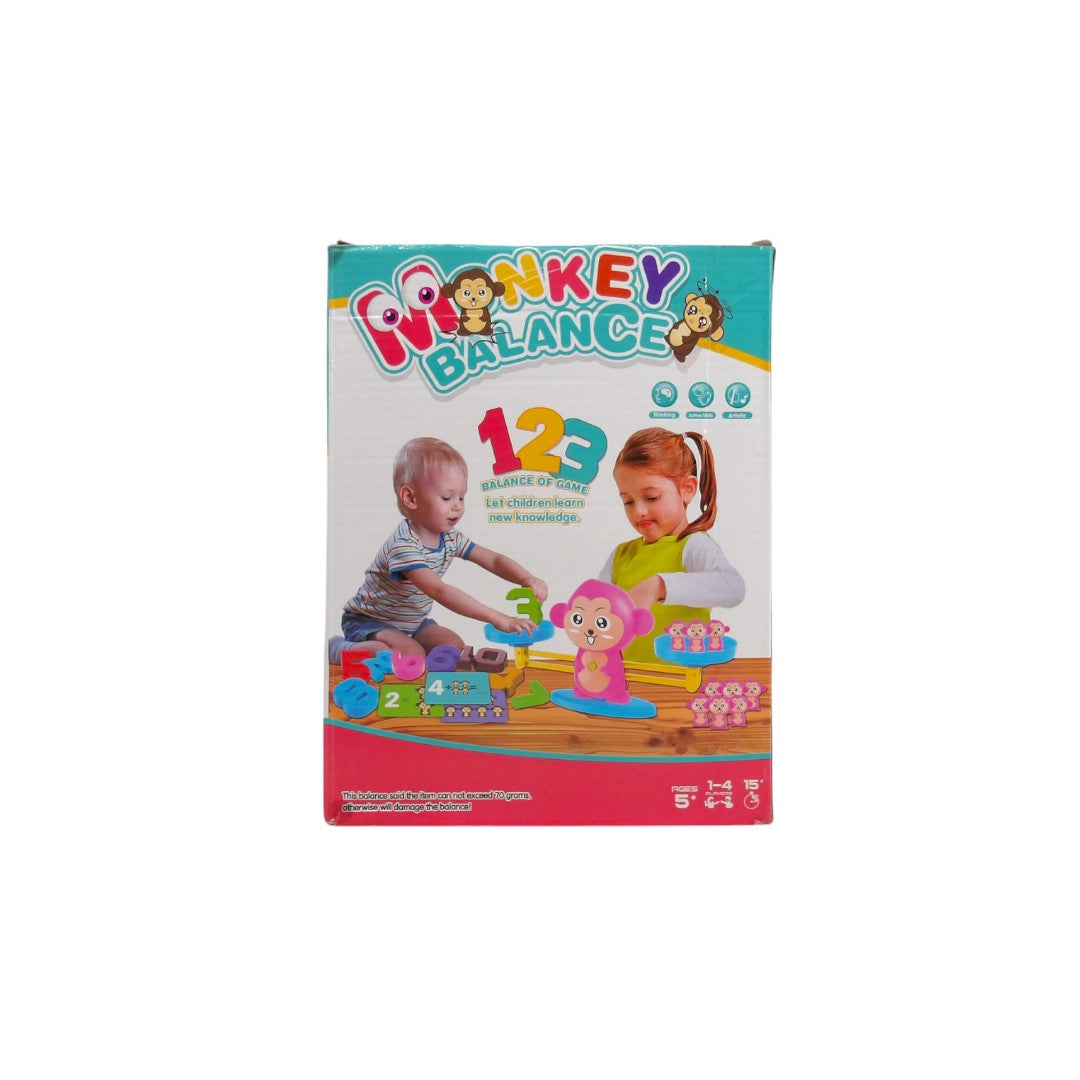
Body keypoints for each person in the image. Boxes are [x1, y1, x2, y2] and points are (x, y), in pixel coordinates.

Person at [329, 437, 548, 663]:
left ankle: (405, 648)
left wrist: (526, 578)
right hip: (370, 621)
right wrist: (496, 617)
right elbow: (439, 590)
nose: (458, 506)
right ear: (410, 498)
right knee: (409, 656)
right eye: (447, 497)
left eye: (461, 497)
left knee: (453, 646)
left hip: (413, 622)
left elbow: (492, 560)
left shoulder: (450, 537)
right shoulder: (403, 545)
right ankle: (339, 649)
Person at [598, 427, 744, 665]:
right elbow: (597, 608)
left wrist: (660, 585)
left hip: (683, 679)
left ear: (687, 489)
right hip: (626, 677)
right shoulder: (621, 554)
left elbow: (734, 587)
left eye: (652, 497)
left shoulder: (693, 546)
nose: (639, 511)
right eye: (628, 501)